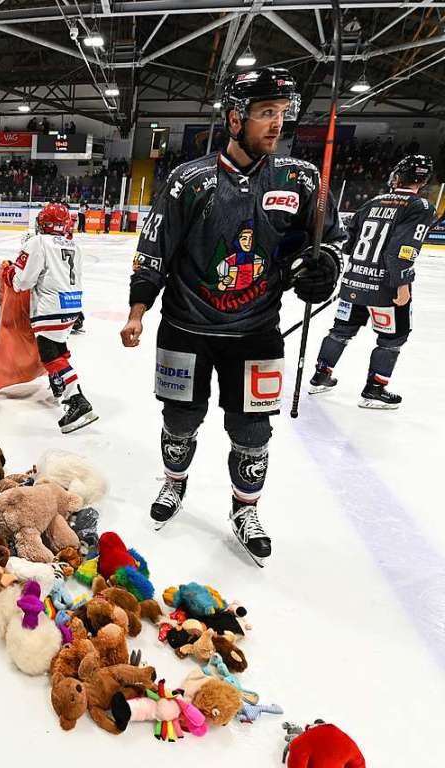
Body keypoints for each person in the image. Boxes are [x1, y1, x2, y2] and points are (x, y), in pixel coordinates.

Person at [118, 67, 346, 567]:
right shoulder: (188, 181)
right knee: (179, 422)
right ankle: (173, 484)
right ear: (235, 117)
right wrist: (138, 311)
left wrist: (322, 267)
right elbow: (153, 251)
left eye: (282, 114)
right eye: (266, 113)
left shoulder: (302, 179)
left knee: (252, 433)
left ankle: (245, 511)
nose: (276, 124)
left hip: (256, 334)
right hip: (185, 330)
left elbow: (328, 244)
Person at [309, 155, 437, 409]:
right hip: (385, 287)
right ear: (423, 181)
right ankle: (375, 390)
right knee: (392, 338)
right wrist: (402, 284)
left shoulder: (373, 202)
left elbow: (348, 241)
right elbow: (403, 249)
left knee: (340, 331)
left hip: (355, 280)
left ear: (398, 175)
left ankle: (321, 375)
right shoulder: (420, 207)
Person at [4, 202, 97, 434]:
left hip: (50, 307)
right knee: (58, 348)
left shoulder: (37, 242)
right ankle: (59, 382)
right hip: (72, 305)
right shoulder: (74, 245)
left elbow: (23, 281)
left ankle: (77, 400)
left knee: (50, 354)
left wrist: (9, 274)